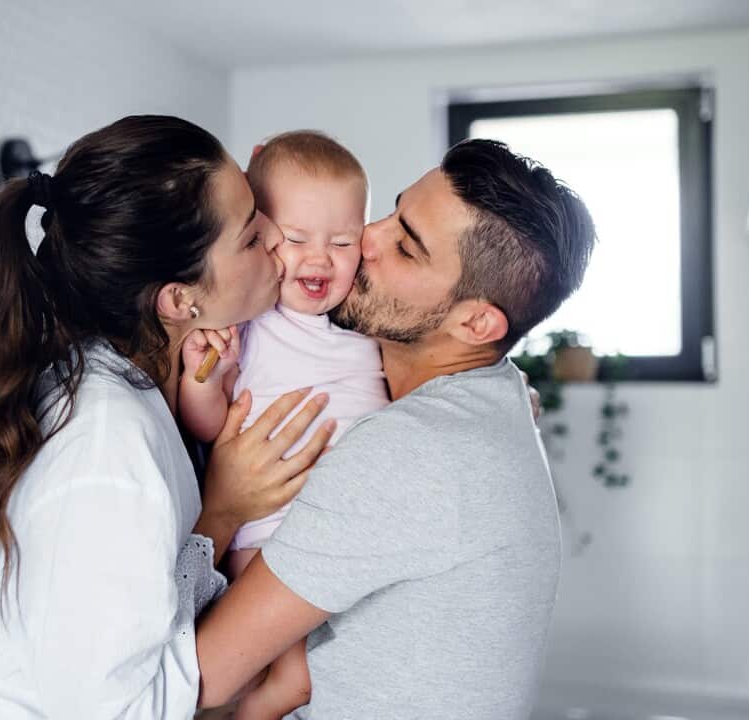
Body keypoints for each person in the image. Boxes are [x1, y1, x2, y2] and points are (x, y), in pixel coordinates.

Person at [0, 115, 337, 719]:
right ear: (179, 299)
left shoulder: (140, 383)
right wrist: (221, 511)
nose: (280, 239)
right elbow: (114, 710)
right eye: (252, 236)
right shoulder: (104, 447)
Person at [195, 138, 597, 719]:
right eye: (390, 212)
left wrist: (222, 511)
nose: (366, 240)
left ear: (477, 321)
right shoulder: (496, 395)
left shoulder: (408, 452)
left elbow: (199, 677)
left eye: (406, 248)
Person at [178, 130, 387, 719]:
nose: (319, 259)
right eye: (296, 239)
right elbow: (210, 423)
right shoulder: (250, 319)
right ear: (264, 235)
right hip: (267, 534)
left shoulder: (364, 320)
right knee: (289, 683)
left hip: (343, 534)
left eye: (343, 243)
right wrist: (200, 379)